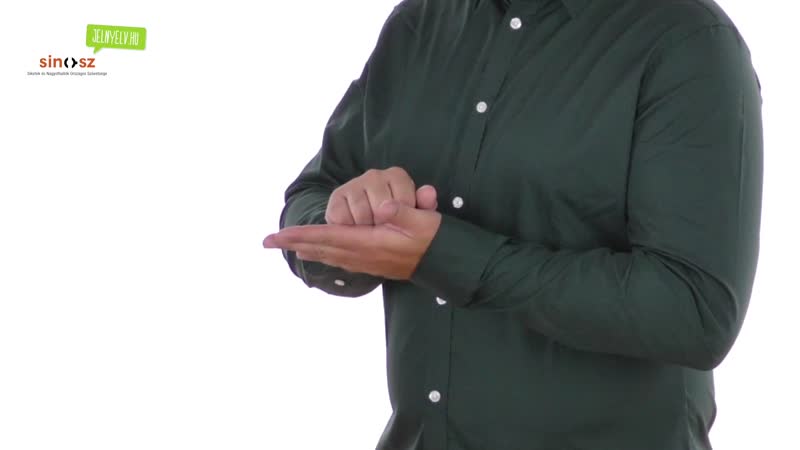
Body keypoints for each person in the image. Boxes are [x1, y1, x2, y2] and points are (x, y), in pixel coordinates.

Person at [262, 0, 763, 448]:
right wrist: (349, 218)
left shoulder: (687, 39)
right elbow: (313, 195)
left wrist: (446, 256)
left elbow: (694, 310)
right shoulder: (419, 22)